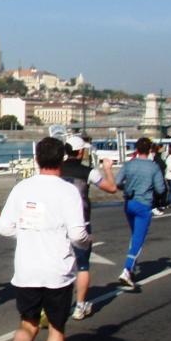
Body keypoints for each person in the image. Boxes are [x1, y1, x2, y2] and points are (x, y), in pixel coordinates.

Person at [0, 137, 90, 341]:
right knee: (57, 329)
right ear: (61, 160)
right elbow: (77, 233)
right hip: (57, 271)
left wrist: (26, 232)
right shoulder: (67, 191)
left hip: (26, 270)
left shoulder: (22, 188)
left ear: (36, 159)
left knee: (29, 324)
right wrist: (85, 242)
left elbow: (4, 228)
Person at [59, 136, 118, 320]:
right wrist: (108, 170)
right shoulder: (88, 172)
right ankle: (80, 306)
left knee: (60, 265)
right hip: (81, 223)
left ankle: (55, 306)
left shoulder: (57, 170)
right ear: (81, 152)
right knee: (82, 266)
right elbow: (112, 188)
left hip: (59, 224)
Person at [114, 137, 166, 289]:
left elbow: (117, 182)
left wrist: (127, 189)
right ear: (150, 150)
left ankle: (132, 270)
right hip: (144, 205)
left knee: (134, 235)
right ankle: (127, 269)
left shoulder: (128, 165)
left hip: (129, 203)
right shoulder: (154, 167)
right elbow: (161, 189)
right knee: (138, 239)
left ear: (136, 149)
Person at [152, 143, 167, 215]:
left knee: (162, 190)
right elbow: (160, 166)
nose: (163, 149)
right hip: (159, 176)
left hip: (161, 175)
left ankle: (160, 204)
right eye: (162, 148)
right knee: (160, 190)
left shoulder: (158, 156)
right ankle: (159, 204)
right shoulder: (156, 157)